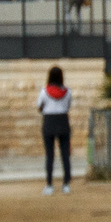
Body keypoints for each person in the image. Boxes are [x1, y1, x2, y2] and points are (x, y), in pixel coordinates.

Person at [37, 64, 74, 194]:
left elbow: (39, 106)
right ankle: (66, 184)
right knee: (65, 154)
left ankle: (49, 184)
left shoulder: (44, 91)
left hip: (49, 122)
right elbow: (69, 105)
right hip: (63, 121)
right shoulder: (67, 91)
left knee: (50, 155)